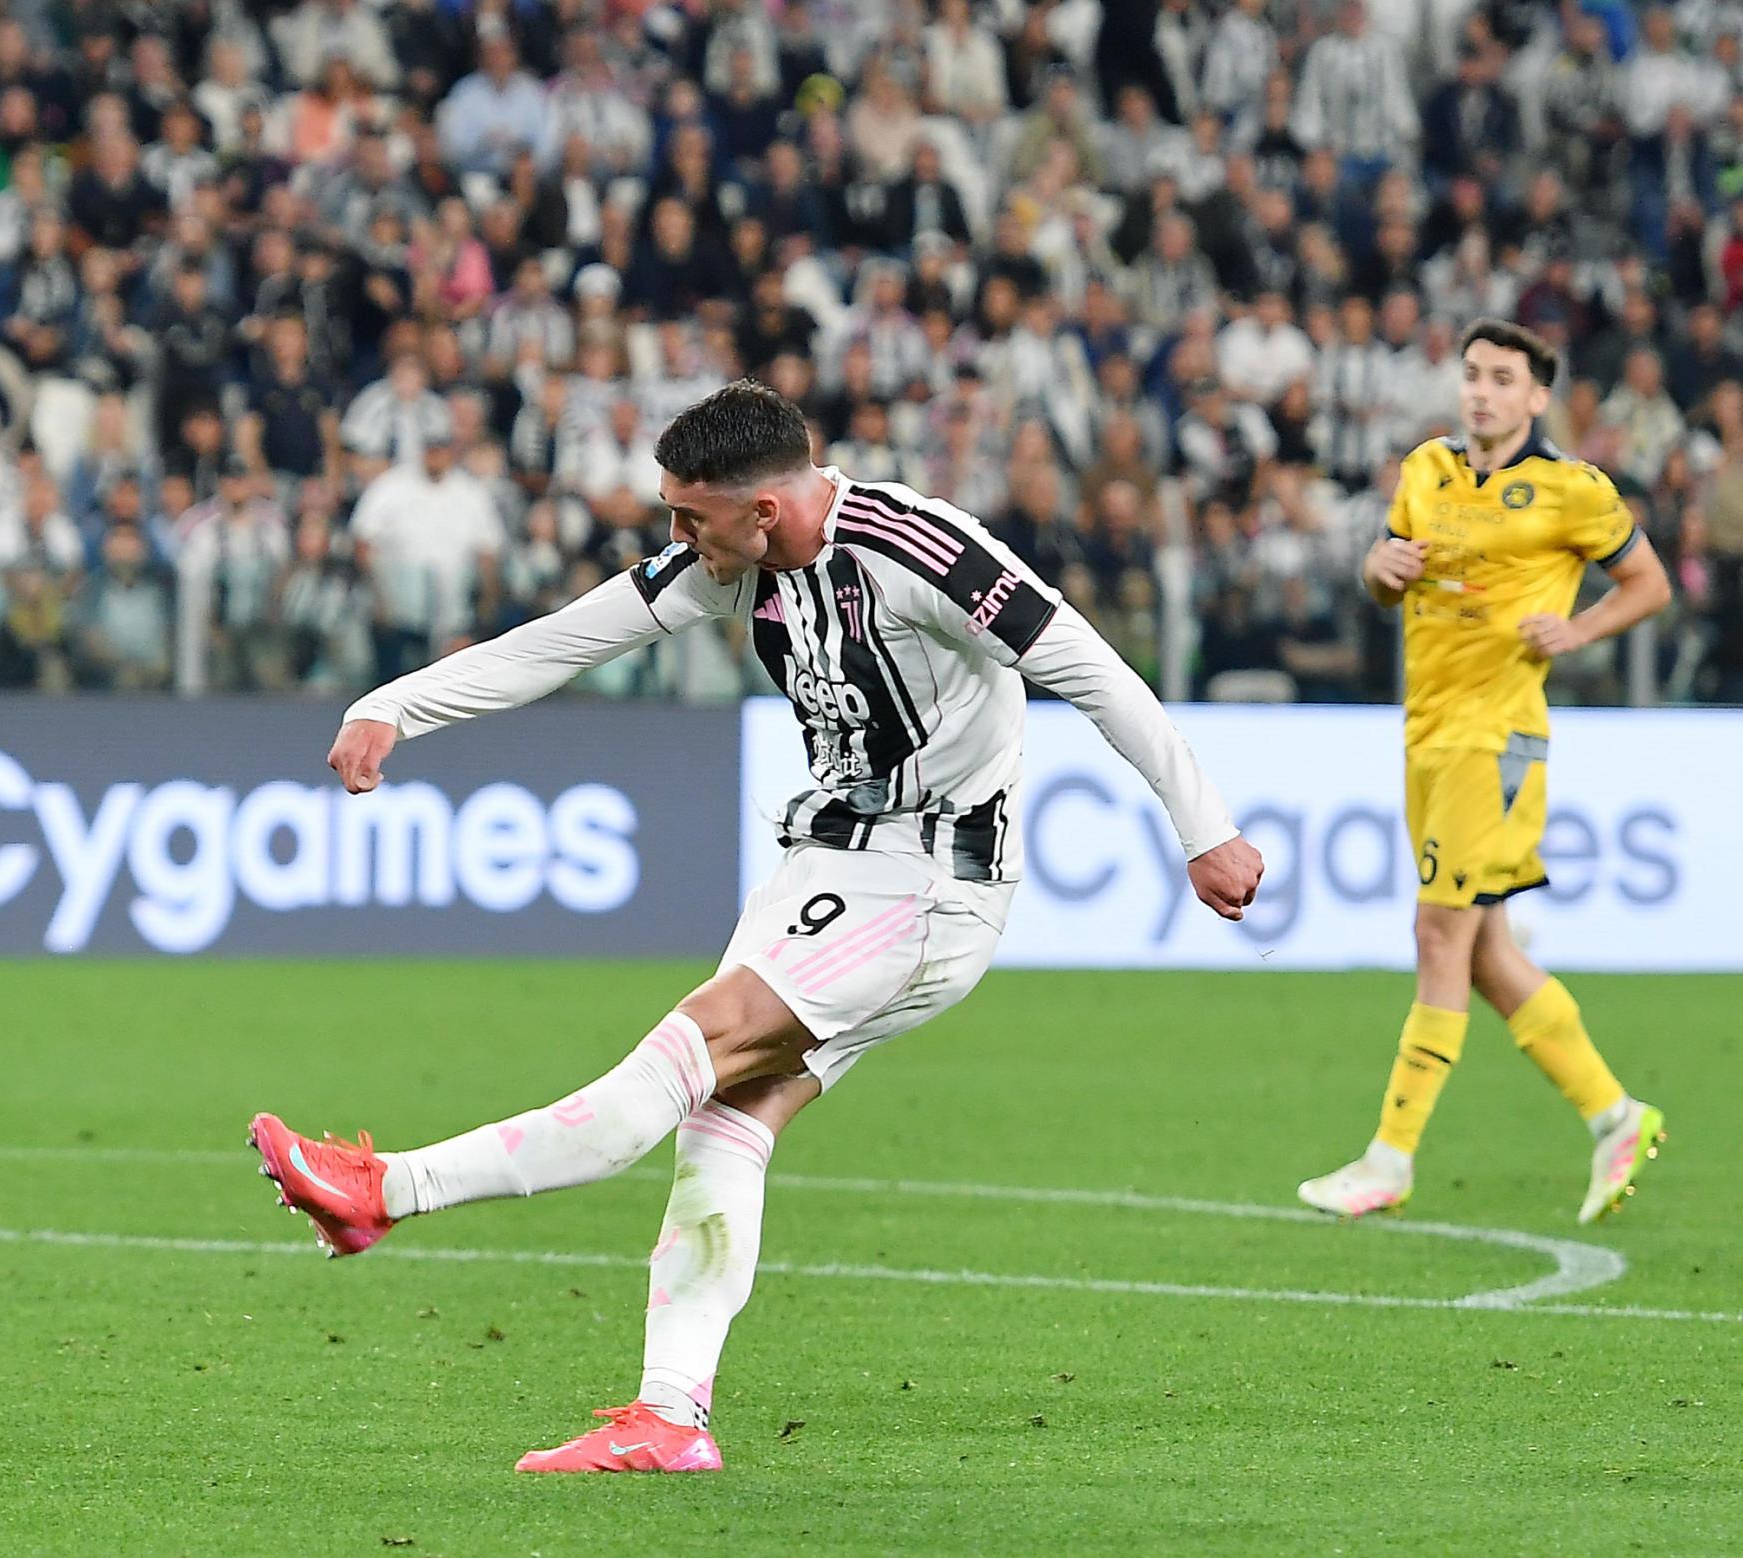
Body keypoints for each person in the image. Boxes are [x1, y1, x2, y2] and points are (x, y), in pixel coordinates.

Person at [248, 381, 1263, 1473]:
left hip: (926, 882)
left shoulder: (920, 551)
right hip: (829, 864)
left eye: (691, 517)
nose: (677, 538)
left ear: (762, 512)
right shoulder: (731, 564)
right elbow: (565, 640)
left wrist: (1203, 825)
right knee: (725, 1118)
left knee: (672, 1067)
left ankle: (385, 1192)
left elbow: (1086, 665)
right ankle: (670, 1417)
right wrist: (397, 702)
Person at [1296, 321, 1673, 1226]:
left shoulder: (1571, 491)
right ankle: (1617, 1116)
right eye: (1473, 375)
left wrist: (1577, 632)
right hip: (1425, 732)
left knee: (1439, 937)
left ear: (1537, 397)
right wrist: (1377, 569)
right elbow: (1385, 579)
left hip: (1495, 738)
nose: (1482, 392)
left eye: (1503, 379)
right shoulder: (1424, 469)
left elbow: (1650, 583)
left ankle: (1390, 1157)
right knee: (1491, 954)